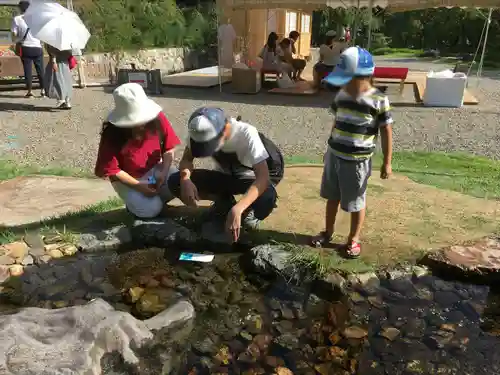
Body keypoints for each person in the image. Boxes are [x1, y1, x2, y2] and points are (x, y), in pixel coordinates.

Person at [311, 47, 393, 258]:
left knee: (356, 201)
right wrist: (329, 147)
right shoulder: (341, 96)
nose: (343, 83)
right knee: (332, 196)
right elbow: (336, 122)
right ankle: (328, 232)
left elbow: (386, 131)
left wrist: (387, 162)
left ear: (362, 77)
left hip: (357, 161)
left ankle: (353, 239)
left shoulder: (378, 100)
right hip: (335, 155)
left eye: (346, 78)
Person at [167, 108, 284, 243]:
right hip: (225, 176)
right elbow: (187, 159)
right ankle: (223, 203)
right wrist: (185, 179)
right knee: (175, 182)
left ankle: (249, 214)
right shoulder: (198, 134)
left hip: (251, 178)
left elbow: (263, 178)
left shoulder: (246, 133)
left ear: (225, 129)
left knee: (267, 196)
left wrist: (239, 209)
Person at [95, 83, 181, 218]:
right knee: (151, 209)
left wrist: (163, 173)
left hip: (153, 172)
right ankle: (143, 203)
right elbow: (113, 170)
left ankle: (152, 200)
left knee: (177, 181)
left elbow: (169, 148)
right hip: (128, 180)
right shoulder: (112, 134)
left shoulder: (157, 118)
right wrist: (139, 186)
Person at [11, 1, 45, 98]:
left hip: (25, 47)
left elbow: (14, 34)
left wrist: (15, 40)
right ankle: (43, 90)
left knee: (27, 70)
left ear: (20, 8)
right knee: (40, 69)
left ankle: (29, 91)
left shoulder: (17, 19)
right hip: (37, 47)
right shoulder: (37, 19)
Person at [45, 44, 73, 109]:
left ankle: (61, 98)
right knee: (66, 81)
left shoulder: (53, 39)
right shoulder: (67, 40)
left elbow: (53, 51)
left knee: (58, 80)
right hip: (65, 62)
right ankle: (67, 101)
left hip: (58, 62)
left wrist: (54, 61)